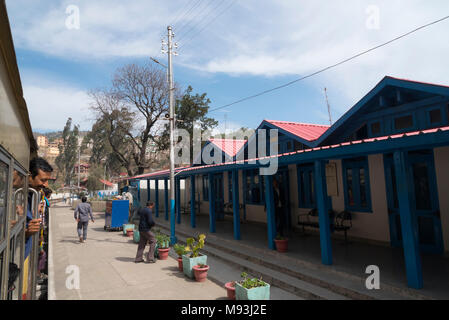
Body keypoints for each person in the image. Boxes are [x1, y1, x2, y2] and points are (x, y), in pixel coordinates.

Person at [26, 157, 53, 259]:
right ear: (29, 176)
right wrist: (26, 232)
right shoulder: (18, 196)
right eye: (43, 180)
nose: (46, 185)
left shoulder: (33, 195)